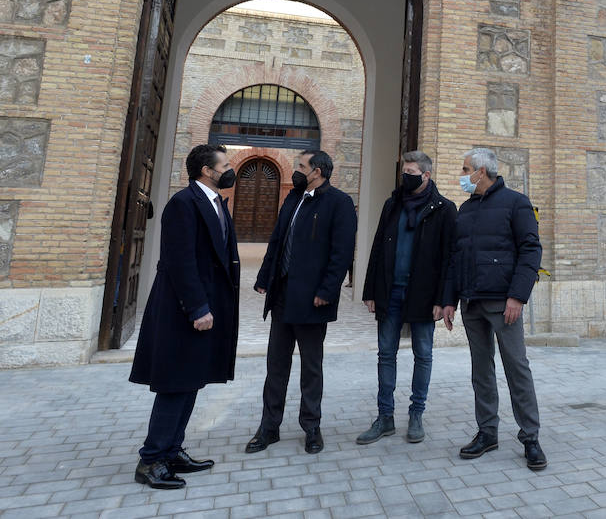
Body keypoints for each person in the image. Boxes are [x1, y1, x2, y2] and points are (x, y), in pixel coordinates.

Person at [128, 144, 240, 490]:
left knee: (191, 380)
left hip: (207, 306)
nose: (229, 169)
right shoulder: (183, 204)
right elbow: (179, 261)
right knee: (175, 384)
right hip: (184, 310)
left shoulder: (215, 202)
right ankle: (151, 460)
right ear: (207, 171)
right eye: (224, 164)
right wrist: (197, 307)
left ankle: (172, 451)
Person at [441, 147, 546, 471]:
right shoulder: (466, 209)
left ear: (481, 172)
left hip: (504, 304)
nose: (462, 175)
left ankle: (530, 437)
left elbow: (531, 250)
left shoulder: (516, 203)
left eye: (465, 169)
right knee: (481, 371)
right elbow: (455, 258)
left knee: (517, 367)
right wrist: (449, 299)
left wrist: (517, 296)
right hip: (471, 302)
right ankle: (487, 432)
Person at [245, 149, 356, 456]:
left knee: (311, 368)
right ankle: (269, 427)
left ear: (318, 171)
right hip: (282, 296)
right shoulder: (293, 199)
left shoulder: (339, 203)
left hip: (312, 300)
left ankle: (311, 426)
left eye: (302, 166)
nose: (297, 170)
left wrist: (327, 290)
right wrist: (264, 278)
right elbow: (278, 241)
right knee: (276, 366)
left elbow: (342, 253)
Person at [356, 151, 457, 445]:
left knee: (422, 355)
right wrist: (370, 290)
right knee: (385, 354)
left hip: (424, 296)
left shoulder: (444, 209)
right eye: (404, 169)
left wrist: (444, 298)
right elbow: (377, 248)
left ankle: (416, 415)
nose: (405, 175)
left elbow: (450, 258)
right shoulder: (393, 204)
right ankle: (384, 417)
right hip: (390, 291)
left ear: (426, 175)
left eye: (411, 170)